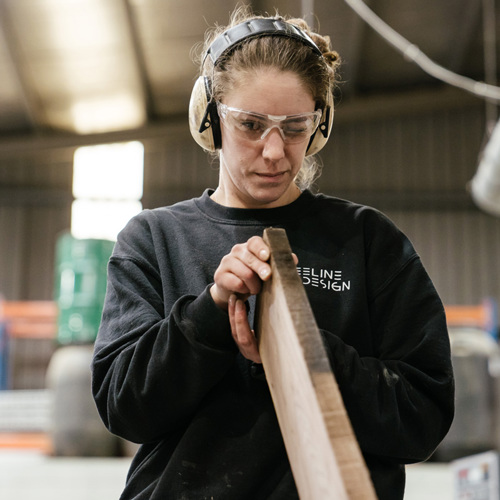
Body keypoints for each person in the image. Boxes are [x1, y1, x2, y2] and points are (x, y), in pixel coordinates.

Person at [91, 7, 454, 500]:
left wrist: (307, 350)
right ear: (210, 119)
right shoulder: (153, 239)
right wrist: (210, 311)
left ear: (319, 126)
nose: (274, 151)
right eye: (251, 124)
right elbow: (124, 407)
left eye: (295, 126)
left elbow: (422, 418)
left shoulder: (368, 242)